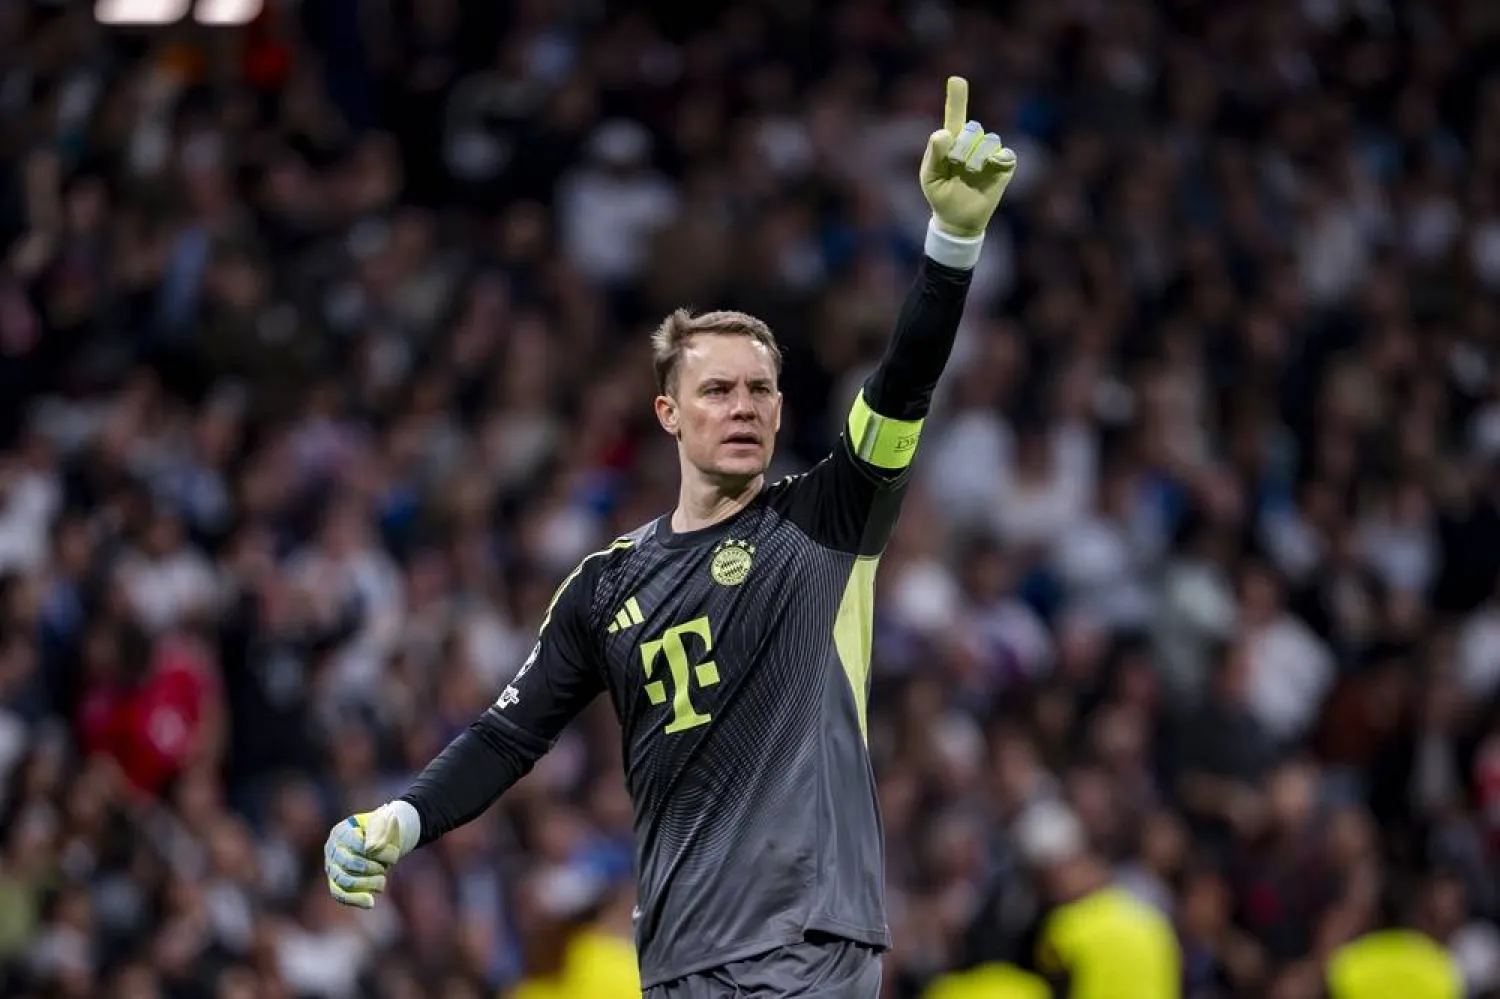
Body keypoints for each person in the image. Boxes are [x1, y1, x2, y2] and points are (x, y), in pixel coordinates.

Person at [322, 76, 1017, 998]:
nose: (743, 407)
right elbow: (507, 734)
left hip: (809, 936)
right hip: (680, 955)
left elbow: (904, 382)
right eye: (717, 390)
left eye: (760, 390)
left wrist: (952, 242)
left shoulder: (828, 518)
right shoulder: (605, 588)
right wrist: (399, 820)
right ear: (668, 414)